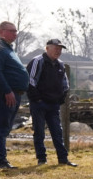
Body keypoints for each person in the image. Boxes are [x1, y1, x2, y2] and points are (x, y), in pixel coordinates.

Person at [0, 21, 30, 169]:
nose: (15, 34)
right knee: (1, 126)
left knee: (6, 127)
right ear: (1, 31)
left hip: (14, 93)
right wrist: (7, 91)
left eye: (16, 31)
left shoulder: (8, 49)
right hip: (4, 94)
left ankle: (1, 159)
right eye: (11, 31)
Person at [26, 39, 76, 167]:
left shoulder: (60, 64)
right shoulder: (38, 61)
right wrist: (36, 98)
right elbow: (30, 80)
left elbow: (65, 83)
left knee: (57, 132)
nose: (58, 51)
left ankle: (63, 159)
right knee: (39, 132)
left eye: (60, 49)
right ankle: (42, 159)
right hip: (39, 104)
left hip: (53, 104)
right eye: (56, 48)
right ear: (47, 48)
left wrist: (62, 97)